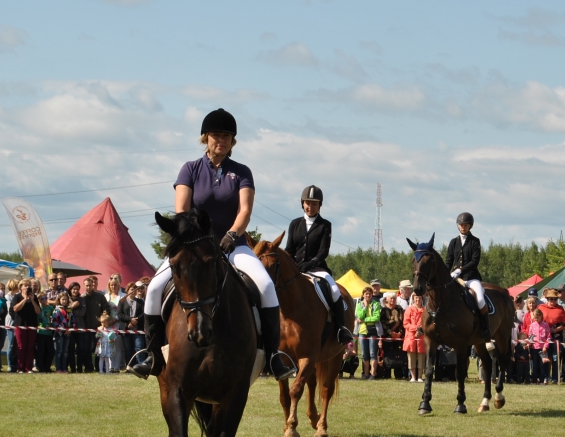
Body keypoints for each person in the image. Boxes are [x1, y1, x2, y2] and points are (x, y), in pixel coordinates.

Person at [130, 108, 295, 381]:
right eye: (217, 135)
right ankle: (151, 355)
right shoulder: (190, 169)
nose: (222, 140)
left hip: (234, 245)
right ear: (205, 137)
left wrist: (230, 236)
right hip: (195, 247)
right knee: (154, 288)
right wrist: (199, 241)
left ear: (233, 141)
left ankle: (274, 355)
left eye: (227, 136)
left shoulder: (241, 172)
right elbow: (182, 211)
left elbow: (244, 211)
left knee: (265, 285)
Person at [284, 185, 354, 344]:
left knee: (335, 290)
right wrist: (291, 264)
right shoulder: (294, 224)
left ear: (320, 206)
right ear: (302, 203)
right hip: (296, 268)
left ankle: (342, 329)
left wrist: (310, 263)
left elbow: (323, 251)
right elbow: (289, 249)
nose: (310, 207)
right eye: (308, 203)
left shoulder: (325, 225)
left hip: (317, 268)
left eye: (314, 204)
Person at [445, 212, 494, 351]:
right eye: (461, 225)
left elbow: (474, 261)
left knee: (479, 299)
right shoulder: (453, 242)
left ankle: (486, 330)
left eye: (465, 225)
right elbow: (448, 261)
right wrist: (446, 274)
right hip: (456, 278)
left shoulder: (474, 241)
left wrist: (460, 270)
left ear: (469, 226)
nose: (463, 227)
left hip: (471, 278)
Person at [9, 278, 40, 373]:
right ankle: (20, 367)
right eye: (25, 285)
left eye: (28, 285)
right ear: (21, 287)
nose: (27, 287)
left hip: (32, 324)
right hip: (20, 324)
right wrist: (24, 300)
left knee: (30, 346)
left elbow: (38, 311)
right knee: (21, 346)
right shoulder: (17, 297)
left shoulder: (34, 297)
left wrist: (32, 300)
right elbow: (15, 309)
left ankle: (28, 368)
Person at [538, 289, 565, 384]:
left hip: (556, 336)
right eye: (551, 299)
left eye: (555, 299)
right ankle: (545, 377)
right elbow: (537, 320)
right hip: (544, 337)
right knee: (545, 357)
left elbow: (563, 323)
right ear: (547, 299)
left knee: (556, 357)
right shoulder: (541, 307)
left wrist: (554, 330)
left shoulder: (560, 309)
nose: (553, 301)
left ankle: (555, 378)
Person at [355, 287, 381, 380]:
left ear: (372, 295)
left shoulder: (376, 304)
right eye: (366, 294)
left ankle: (373, 374)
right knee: (364, 354)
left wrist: (365, 320)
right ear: (363, 295)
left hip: (373, 331)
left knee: (373, 353)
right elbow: (360, 315)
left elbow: (376, 317)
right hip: (362, 331)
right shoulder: (359, 305)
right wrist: (365, 307)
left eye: (369, 294)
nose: (368, 295)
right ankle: (366, 374)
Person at [379, 292, 405, 379]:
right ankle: (386, 374)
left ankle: (399, 374)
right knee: (387, 354)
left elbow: (402, 321)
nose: (393, 300)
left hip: (398, 336)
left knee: (398, 354)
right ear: (387, 299)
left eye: (394, 298)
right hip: (387, 336)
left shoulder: (399, 308)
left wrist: (399, 333)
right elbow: (382, 323)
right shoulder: (383, 310)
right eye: (391, 298)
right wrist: (391, 333)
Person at [402, 293, 426, 382]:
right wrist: (416, 329)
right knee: (411, 357)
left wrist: (420, 331)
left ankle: (419, 377)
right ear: (413, 299)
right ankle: (413, 377)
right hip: (410, 336)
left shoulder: (425, 310)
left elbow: (426, 323)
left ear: (422, 298)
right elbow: (406, 323)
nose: (417, 300)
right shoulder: (409, 310)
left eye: (419, 297)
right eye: (416, 298)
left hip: (421, 336)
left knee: (421, 357)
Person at [527, 307, 552, 384]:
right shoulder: (532, 325)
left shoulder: (545, 325)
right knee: (534, 365)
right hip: (534, 348)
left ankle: (542, 380)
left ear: (541, 316)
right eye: (535, 318)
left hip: (542, 349)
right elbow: (530, 336)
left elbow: (548, 337)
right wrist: (529, 344)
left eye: (537, 317)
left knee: (542, 365)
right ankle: (534, 380)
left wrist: (545, 346)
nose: (536, 319)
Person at [35, 291, 57, 373]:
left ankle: (47, 367)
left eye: (45, 298)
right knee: (41, 351)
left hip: (49, 332)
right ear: (39, 300)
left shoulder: (50, 308)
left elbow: (54, 318)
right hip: (40, 332)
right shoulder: (38, 308)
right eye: (42, 299)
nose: (44, 300)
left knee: (51, 351)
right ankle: (41, 368)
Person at [52, 292, 72, 373]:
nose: (64, 301)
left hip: (67, 333)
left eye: (66, 299)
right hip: (59, 333)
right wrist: (61, 329)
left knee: (65, 352)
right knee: (59, 351)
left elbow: (72, 320)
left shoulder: (69, 310)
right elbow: (54, 321)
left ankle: (64, 368)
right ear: (59, 300)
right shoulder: (57, 310)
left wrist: (70, 329)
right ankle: (58, 368)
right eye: (63, 299)